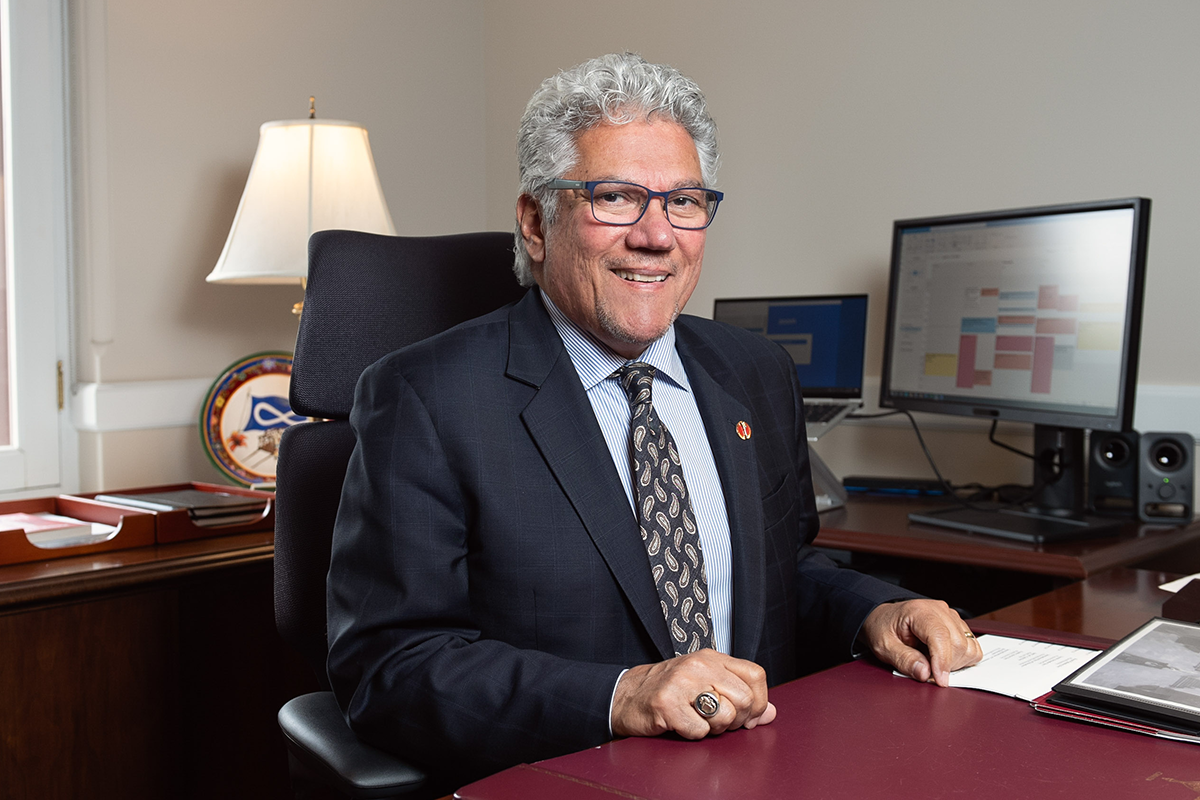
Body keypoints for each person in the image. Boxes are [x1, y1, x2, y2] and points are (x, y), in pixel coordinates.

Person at [326, 52, 981, 784]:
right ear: (535, 221)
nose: (657, 234)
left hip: (761, 768)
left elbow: (781, 573)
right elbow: (388, 670)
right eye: (616, 197)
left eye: (685, 201)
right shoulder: (425, 397)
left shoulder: (754, 371)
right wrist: (622, 696)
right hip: (571, 778)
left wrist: (877, 613)